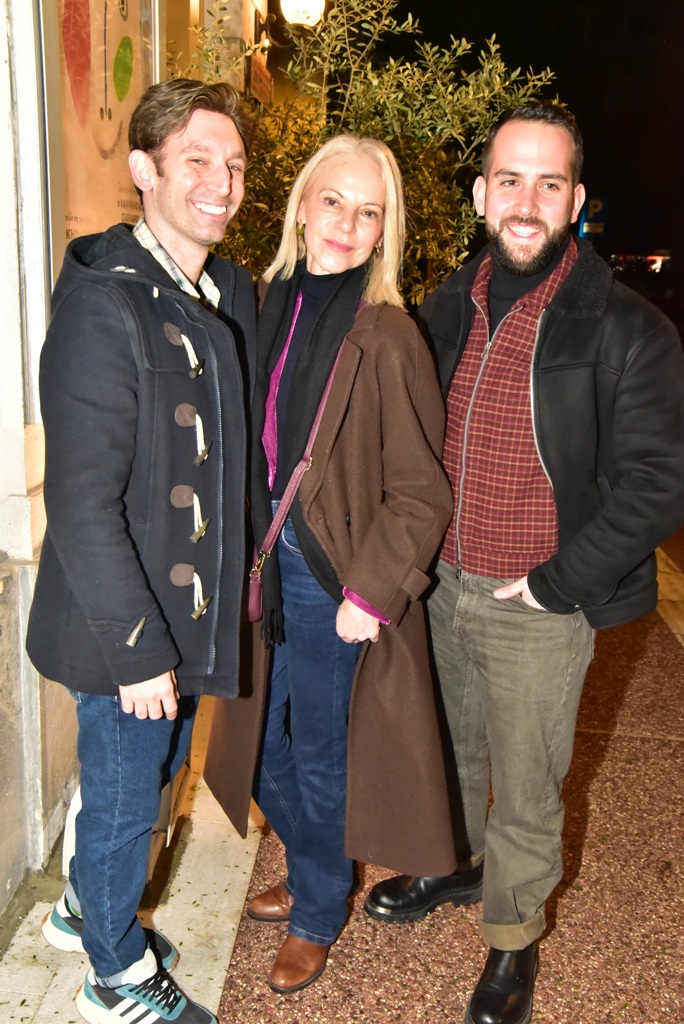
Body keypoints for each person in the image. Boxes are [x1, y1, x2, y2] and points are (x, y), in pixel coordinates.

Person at [364, 102, 684, 1024]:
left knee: (528, 786)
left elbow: (661, 481)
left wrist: (557, 584)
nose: (528, 201)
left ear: (577, 201)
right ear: (481, 193)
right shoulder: (441, 306)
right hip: (441, 587)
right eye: (511, 180)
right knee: (450, 751)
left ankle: (511, 937)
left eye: (550, 183)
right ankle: (457, 867)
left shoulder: (627, 329)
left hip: (537, 602)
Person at [26, 78, 256, 1024]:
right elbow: (81, 505)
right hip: (121, 627)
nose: (221, 182)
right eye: (196, 159)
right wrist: (137, 651)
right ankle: (114, 976)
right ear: (143, 171)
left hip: (176, 613)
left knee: (143, 782)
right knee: (126, 803)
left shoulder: (201, 289)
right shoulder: (105, 305)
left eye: (233, 163)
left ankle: (85, 913)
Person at [204, 134, 456, 995]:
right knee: (254, 742)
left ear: (386, 230)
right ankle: (321, 865)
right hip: (260, 568)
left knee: (317, 753)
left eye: (369, 211)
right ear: (302, 206)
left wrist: (371, 592)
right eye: (334, 201)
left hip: (330, 582)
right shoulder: (259, 304)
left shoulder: (388, 334)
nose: (347, 224)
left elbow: (422, 490)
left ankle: (316, 911)